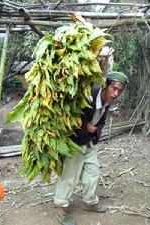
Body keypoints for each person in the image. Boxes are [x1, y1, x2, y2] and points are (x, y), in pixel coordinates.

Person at [54, 71, 129, 225]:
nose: (116, 94)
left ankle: (90, 201)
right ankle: (60, 209)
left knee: (93, 172)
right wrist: (84, 125)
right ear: (106, 85)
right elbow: (69, 115)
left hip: (89, 142)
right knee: (70, 175)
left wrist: (94, 132)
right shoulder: (88, 95)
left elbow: (100, 122)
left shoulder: (107, 101)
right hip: (75, 142)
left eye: (119, 91)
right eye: (113, 88)